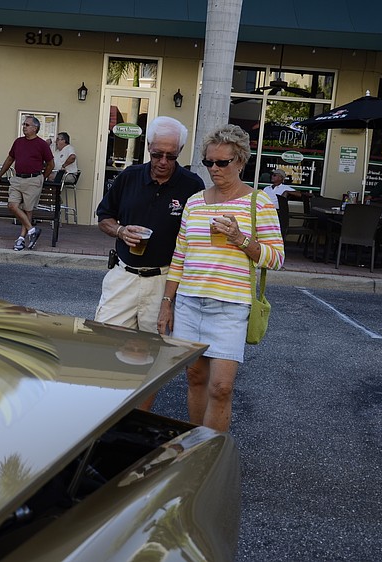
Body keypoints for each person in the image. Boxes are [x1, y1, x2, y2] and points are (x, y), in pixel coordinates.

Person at [156, 124, 285, 432]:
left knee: (221, 387)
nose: (214, 169)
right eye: (209, 162)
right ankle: (194, 446)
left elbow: (276, 258)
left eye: (222, 162)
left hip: (230, 307)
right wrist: (167, 303)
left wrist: (241, 238)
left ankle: (211, 454)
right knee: (195, 378)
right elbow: (180, 256)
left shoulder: (258, 203)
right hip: (189, 302)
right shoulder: (196, 201)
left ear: (240, 161)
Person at [95, 116, 205, 336]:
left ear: (180, 150)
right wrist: (120, 231)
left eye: (171, 156)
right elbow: (104, 217)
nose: (163, 161)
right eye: (157, 154)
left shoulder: (192, 185)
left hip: (163, 281)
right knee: (105, 342)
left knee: (156, 352)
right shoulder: (129, 177)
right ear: (148, 147)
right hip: (123, 275)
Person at [0, 116, 54, 251]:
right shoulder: (18, 142)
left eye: (27, 124)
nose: (24, 126)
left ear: (35, 128)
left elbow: (50, 164)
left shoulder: (42, 144)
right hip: (17, 179)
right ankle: (32, 231)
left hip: (33, 180)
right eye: (23, 124)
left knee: (28, 210)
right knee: (12, 206)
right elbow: (10, 159)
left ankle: (21, 239)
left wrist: (42, 177)